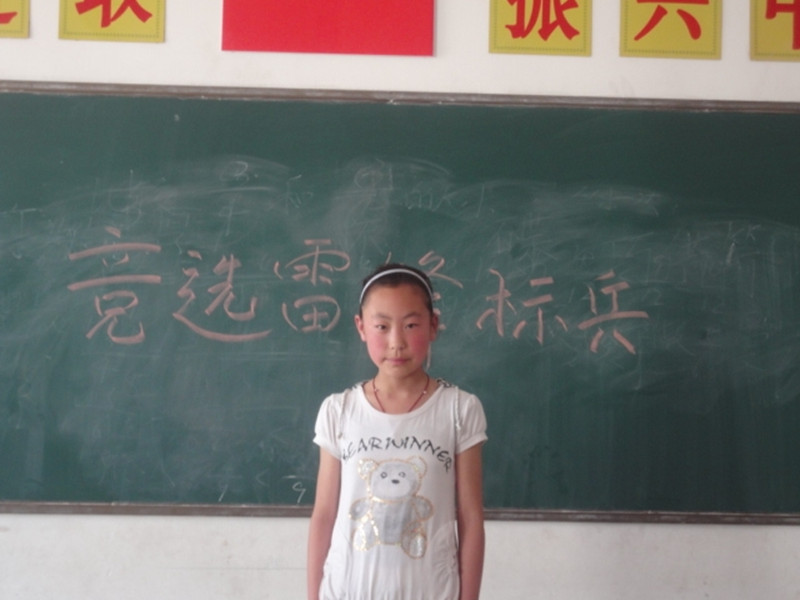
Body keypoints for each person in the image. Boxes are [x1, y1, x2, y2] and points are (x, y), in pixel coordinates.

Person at [307, 263, 487, 600]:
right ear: (361, 327)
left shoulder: (459, 409)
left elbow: (471, 517)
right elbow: (324, 515)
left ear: (433, 325)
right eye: (382, 326)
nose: (396, 342)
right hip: (347, 591)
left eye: (410, 325)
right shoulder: (339, 410)